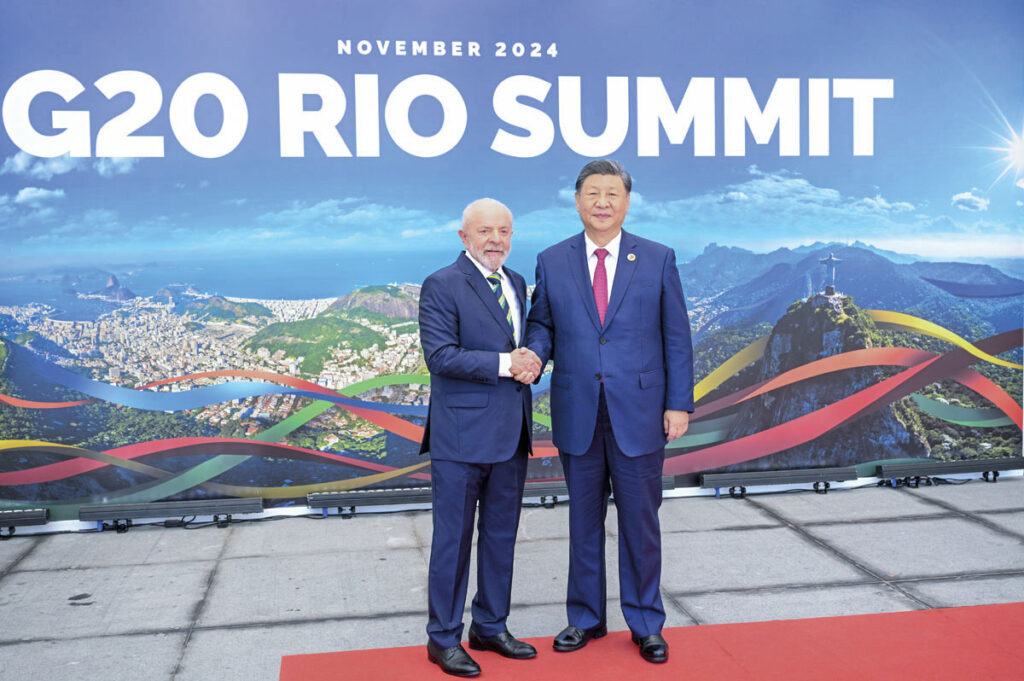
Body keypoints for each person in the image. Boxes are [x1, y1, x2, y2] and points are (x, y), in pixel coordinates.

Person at [523, 160, 694, 664]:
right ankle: (584, 618)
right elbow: (542, 325)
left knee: (641, 522)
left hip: (640, 412)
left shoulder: (658, 259)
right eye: (592, 193)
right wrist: (533, 352)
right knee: (583, 521)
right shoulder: (552, 260)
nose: (602, 202)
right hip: (578, 409)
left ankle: (646, 622)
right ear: (577, 201)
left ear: (626, 202)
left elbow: (676, 337)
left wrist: (678, 403)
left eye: (612, 194)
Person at [418, 198, 543, 677]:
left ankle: (490, 624)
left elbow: (524, 344)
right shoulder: (441, 284)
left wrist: (527, 357)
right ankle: (443, 638)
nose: (496, 240)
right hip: (460, 437)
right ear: (463, 237)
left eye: (505, 231)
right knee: (453, 540)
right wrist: (506, 364)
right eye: (486, 231)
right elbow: (441, 357)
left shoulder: (515, 282)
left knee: (501, 536)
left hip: (511, 433)